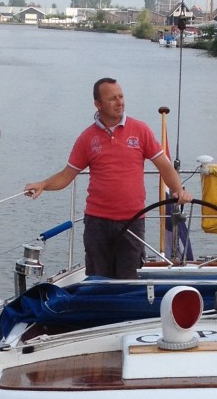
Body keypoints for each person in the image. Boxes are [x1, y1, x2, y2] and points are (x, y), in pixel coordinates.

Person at [24, 77, 191, 277]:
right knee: (98, 280)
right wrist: (43, 184)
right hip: (97, 222)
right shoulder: (87, 138)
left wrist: (178, 190)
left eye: (121, 96)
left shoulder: (140, 130)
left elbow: (165, 166)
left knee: (128, 280)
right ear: (98, 104)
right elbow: (66, 175)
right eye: (112, 98)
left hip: (132, 221)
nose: (120, 102)